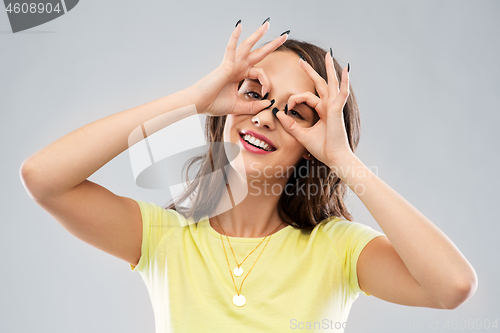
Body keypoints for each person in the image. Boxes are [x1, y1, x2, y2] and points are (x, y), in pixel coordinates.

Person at [20, 17, 477, 333]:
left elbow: (452, 286)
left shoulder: (338, 249)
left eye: (297, 112)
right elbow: (44, 177)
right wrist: (192, 100)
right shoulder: (166, 238)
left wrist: (343, 160)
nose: (265, 117)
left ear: (313, 146)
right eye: (255, 94)